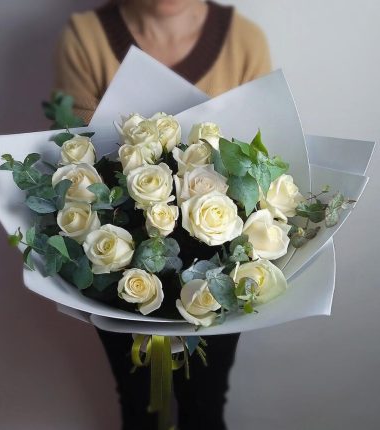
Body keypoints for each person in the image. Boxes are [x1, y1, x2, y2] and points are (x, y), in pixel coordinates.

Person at [54, 1, 271, 429]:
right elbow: (70, 159)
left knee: (205, 405)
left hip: (218, 283)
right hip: (115, 277)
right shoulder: (86, 37)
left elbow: (260, 165)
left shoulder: (244, 41)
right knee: (138, 404)